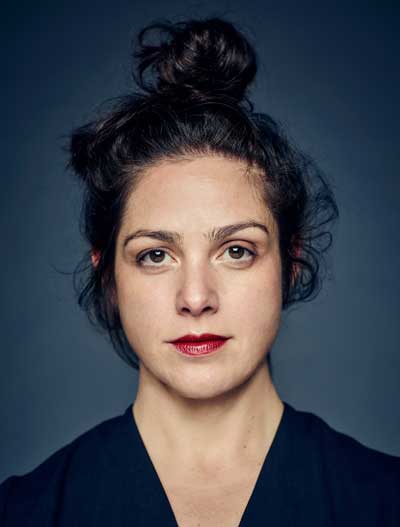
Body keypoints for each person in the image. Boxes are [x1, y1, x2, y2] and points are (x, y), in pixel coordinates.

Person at [1, 15, 399, 527]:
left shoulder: (386, 502)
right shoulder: (22, 513)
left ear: (291, 263)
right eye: (155, 255)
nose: (195, 297)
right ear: (108, 277)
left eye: (236, 251)